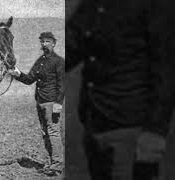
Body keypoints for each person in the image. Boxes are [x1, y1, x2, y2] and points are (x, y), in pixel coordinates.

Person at [67, 0, 175, 179]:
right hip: (95, 123)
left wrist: (155, 132)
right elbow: (71, 44)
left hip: (132, 130)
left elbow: (167, 71)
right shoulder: (93, 4)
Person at [8, 32, 65, 176]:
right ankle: (50, 163)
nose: (44, 44)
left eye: (47, 41)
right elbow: (29, 79)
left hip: (51, 103)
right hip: (40, 102)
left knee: (53, 132)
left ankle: (57, 165)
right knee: (46, 133)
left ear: (54, 43)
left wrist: (58, 104)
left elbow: (62, 85)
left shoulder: (59, 62)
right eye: (42, 41)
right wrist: (17, 73)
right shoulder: (40, 61)